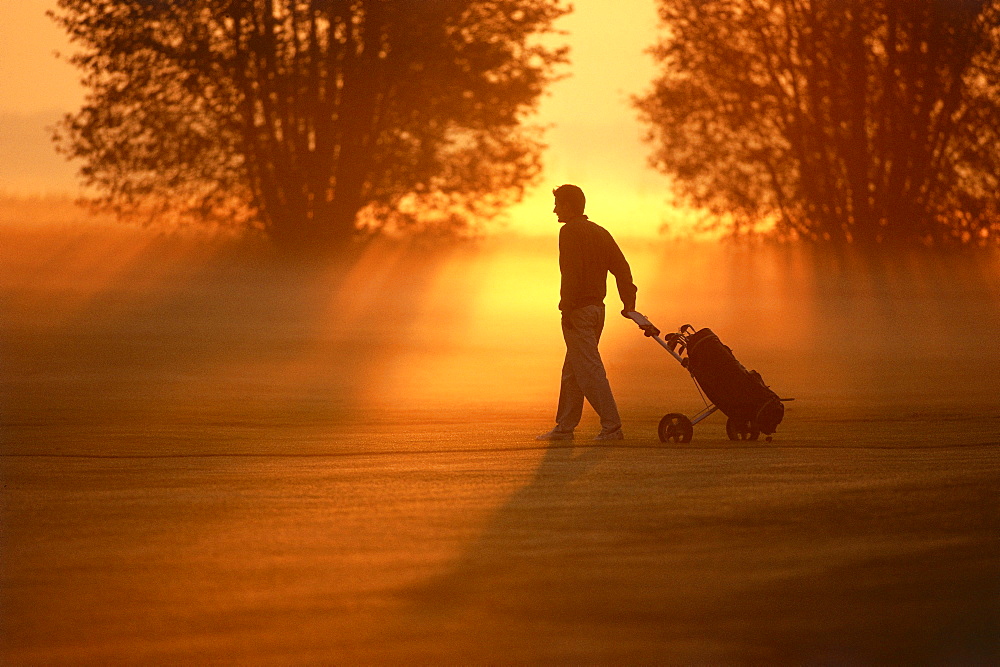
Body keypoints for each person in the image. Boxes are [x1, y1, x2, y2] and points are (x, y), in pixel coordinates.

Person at [537, 184, 638, 441]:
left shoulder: (568, 232)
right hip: (597, 312)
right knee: (574, 369)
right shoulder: (600, 232)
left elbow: (570, 273)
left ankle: (612, 427)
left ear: (570, 206)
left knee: (589, 370)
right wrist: (628, 302)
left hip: (579, 311)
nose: (554, 210)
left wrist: (566, 307)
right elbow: (622, 268)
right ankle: (565, 427)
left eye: (558, 204)